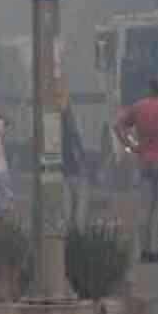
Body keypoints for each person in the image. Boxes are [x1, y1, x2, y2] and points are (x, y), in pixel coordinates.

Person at [114, 73, 158, 264]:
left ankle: (145, 250)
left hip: (144, 162)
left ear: (150, 87)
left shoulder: (139, 107)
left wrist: (130, 145)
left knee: (146, 208)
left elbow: (118, 125)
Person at [61, 88, 88, 229]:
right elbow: (78, 150)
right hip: (72, 172)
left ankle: (72, 228)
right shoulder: (71, 129)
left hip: (68, 172)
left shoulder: (63, 127)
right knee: (77, 206)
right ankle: (77, 230)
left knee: (69, 205)